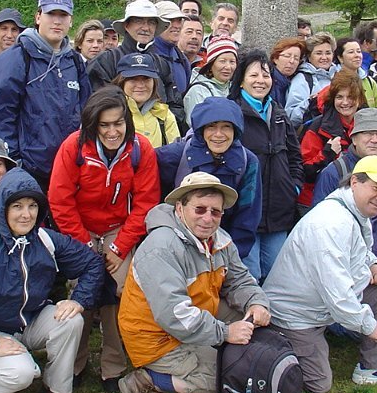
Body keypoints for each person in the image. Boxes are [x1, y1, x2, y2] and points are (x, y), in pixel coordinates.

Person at [0, 169, 105, 393]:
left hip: (30, 322)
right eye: (17, 206)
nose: (26, 214)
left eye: (32, 206)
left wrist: (78, 300)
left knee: (71, 320)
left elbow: (92, 263)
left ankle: (58, 389)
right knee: (22, 374)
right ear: (3, 208)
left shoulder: (45, 239)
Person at [118, 173, 271, 393]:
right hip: (156, 337)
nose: (208, 218)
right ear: (180, 208)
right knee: (227, 379)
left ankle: (215, 354)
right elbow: (175, 315)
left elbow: (240, 280)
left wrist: (256, 302)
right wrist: (225, 333)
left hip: (198, 315)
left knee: (253, 342)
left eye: (216, 212)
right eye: (199, 209)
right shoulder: (161, 246)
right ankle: (144, 381)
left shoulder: (219, 239)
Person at [263, 156, 377, 393]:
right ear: (354, 182)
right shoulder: (331, 223)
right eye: (375, 188)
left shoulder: (352, 211)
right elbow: (338, 293)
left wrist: (374, 264)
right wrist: (371, 327)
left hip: (320, 306)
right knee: (318, 384)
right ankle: (273, 342)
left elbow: (360, 251)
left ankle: (375, 367)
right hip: (296, 316)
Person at [48, 87, 161, 392]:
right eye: (104, 125)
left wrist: (119, 246)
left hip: (119, 229)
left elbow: (146, 203)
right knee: (80, 291)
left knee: (119, 290)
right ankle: (74, 364)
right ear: (92, 125)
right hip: (79, 230)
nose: (112, 132)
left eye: (118, 124)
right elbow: (60, 200)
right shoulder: (74, 148)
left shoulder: (141, 149)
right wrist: (84, 245)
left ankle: (113, 365)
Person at [0, 0, 91, 192]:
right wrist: (14, 163)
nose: (57, 21)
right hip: (29, 170)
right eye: (51, 14)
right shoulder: (16, 59)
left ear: (71, 20)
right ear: (38, 17)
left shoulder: (75, 62)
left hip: (69, 169)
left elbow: (86, 111)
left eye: (63, 15)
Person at [157, 96, 262, 261]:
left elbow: (248, 215)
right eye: (211, 127)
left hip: (226, 247)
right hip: (178, 245)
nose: (218, 134)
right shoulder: (175, 156)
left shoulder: (247, 162)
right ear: (201, 130)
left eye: (226, 127)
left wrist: (231, 257)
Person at [229, 51, 302, 282]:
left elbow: (294, 155)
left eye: (266, 75)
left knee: (276, 274)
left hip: (279, 209)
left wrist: (294, 187)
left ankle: (274, 318)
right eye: (253, 75)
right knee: (249, 275)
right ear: (241, 79)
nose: (260, 80)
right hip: (246, 209)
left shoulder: (278, 112)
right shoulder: (232, 112)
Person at [312, 108, 377, 269]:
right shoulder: (336, 171)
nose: (374, 140)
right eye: (367, 133)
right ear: (354, 139)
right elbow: (318, 222)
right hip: (347, 262)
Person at [88, 0, 185, 128]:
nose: (145, 28)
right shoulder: (105, 61)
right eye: (138, 21)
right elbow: (98, 107)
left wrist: (161, 128)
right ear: (126, 25)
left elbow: (176, 105)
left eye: (151, 22)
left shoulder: (162, 64)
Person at [298, 69, 366, 207]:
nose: (345, 102)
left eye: (350, 97)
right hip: (317, 199)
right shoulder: (319, 126)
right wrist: (327, 154)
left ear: (359, 99)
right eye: (339, 97)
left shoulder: (367, 124)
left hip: (356, 199)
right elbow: (304, 170)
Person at [114, 53, 181, 148]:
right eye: (133, 79)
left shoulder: (164, 114)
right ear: (121, 82)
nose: (140, 85)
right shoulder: (111, 113)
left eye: (146, 79)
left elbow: (175, 154)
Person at [285, 31, 336, 126]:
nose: (324, 57)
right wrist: (312, 101)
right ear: (309, 56)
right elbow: (291, 116)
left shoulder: (339, 76)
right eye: (319, 53)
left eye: (328, 53)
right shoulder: (303, 79)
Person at [184, 36, 237, 126]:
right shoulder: (198, 91)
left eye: (232, 61)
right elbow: (196, 126)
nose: (228, 67)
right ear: (211, 65)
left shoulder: (234, 88)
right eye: (222, 61)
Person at [152, 0, 193, 98]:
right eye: (170, 20)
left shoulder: (181, 58)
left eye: (179, 20)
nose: (176, 25)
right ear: (156, 23)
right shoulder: (146, 57)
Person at [336, 36, 377, 109]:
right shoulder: (333, 81)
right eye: (351, 52)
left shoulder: (369, 82)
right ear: (340, 58)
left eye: (358, 51)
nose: (357, 55)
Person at [269, 37, 306, 108]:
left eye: (296, 58)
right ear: (275, 58)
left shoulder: (294, 81)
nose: (292, 61)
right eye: (287, 56)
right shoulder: (269, 82)